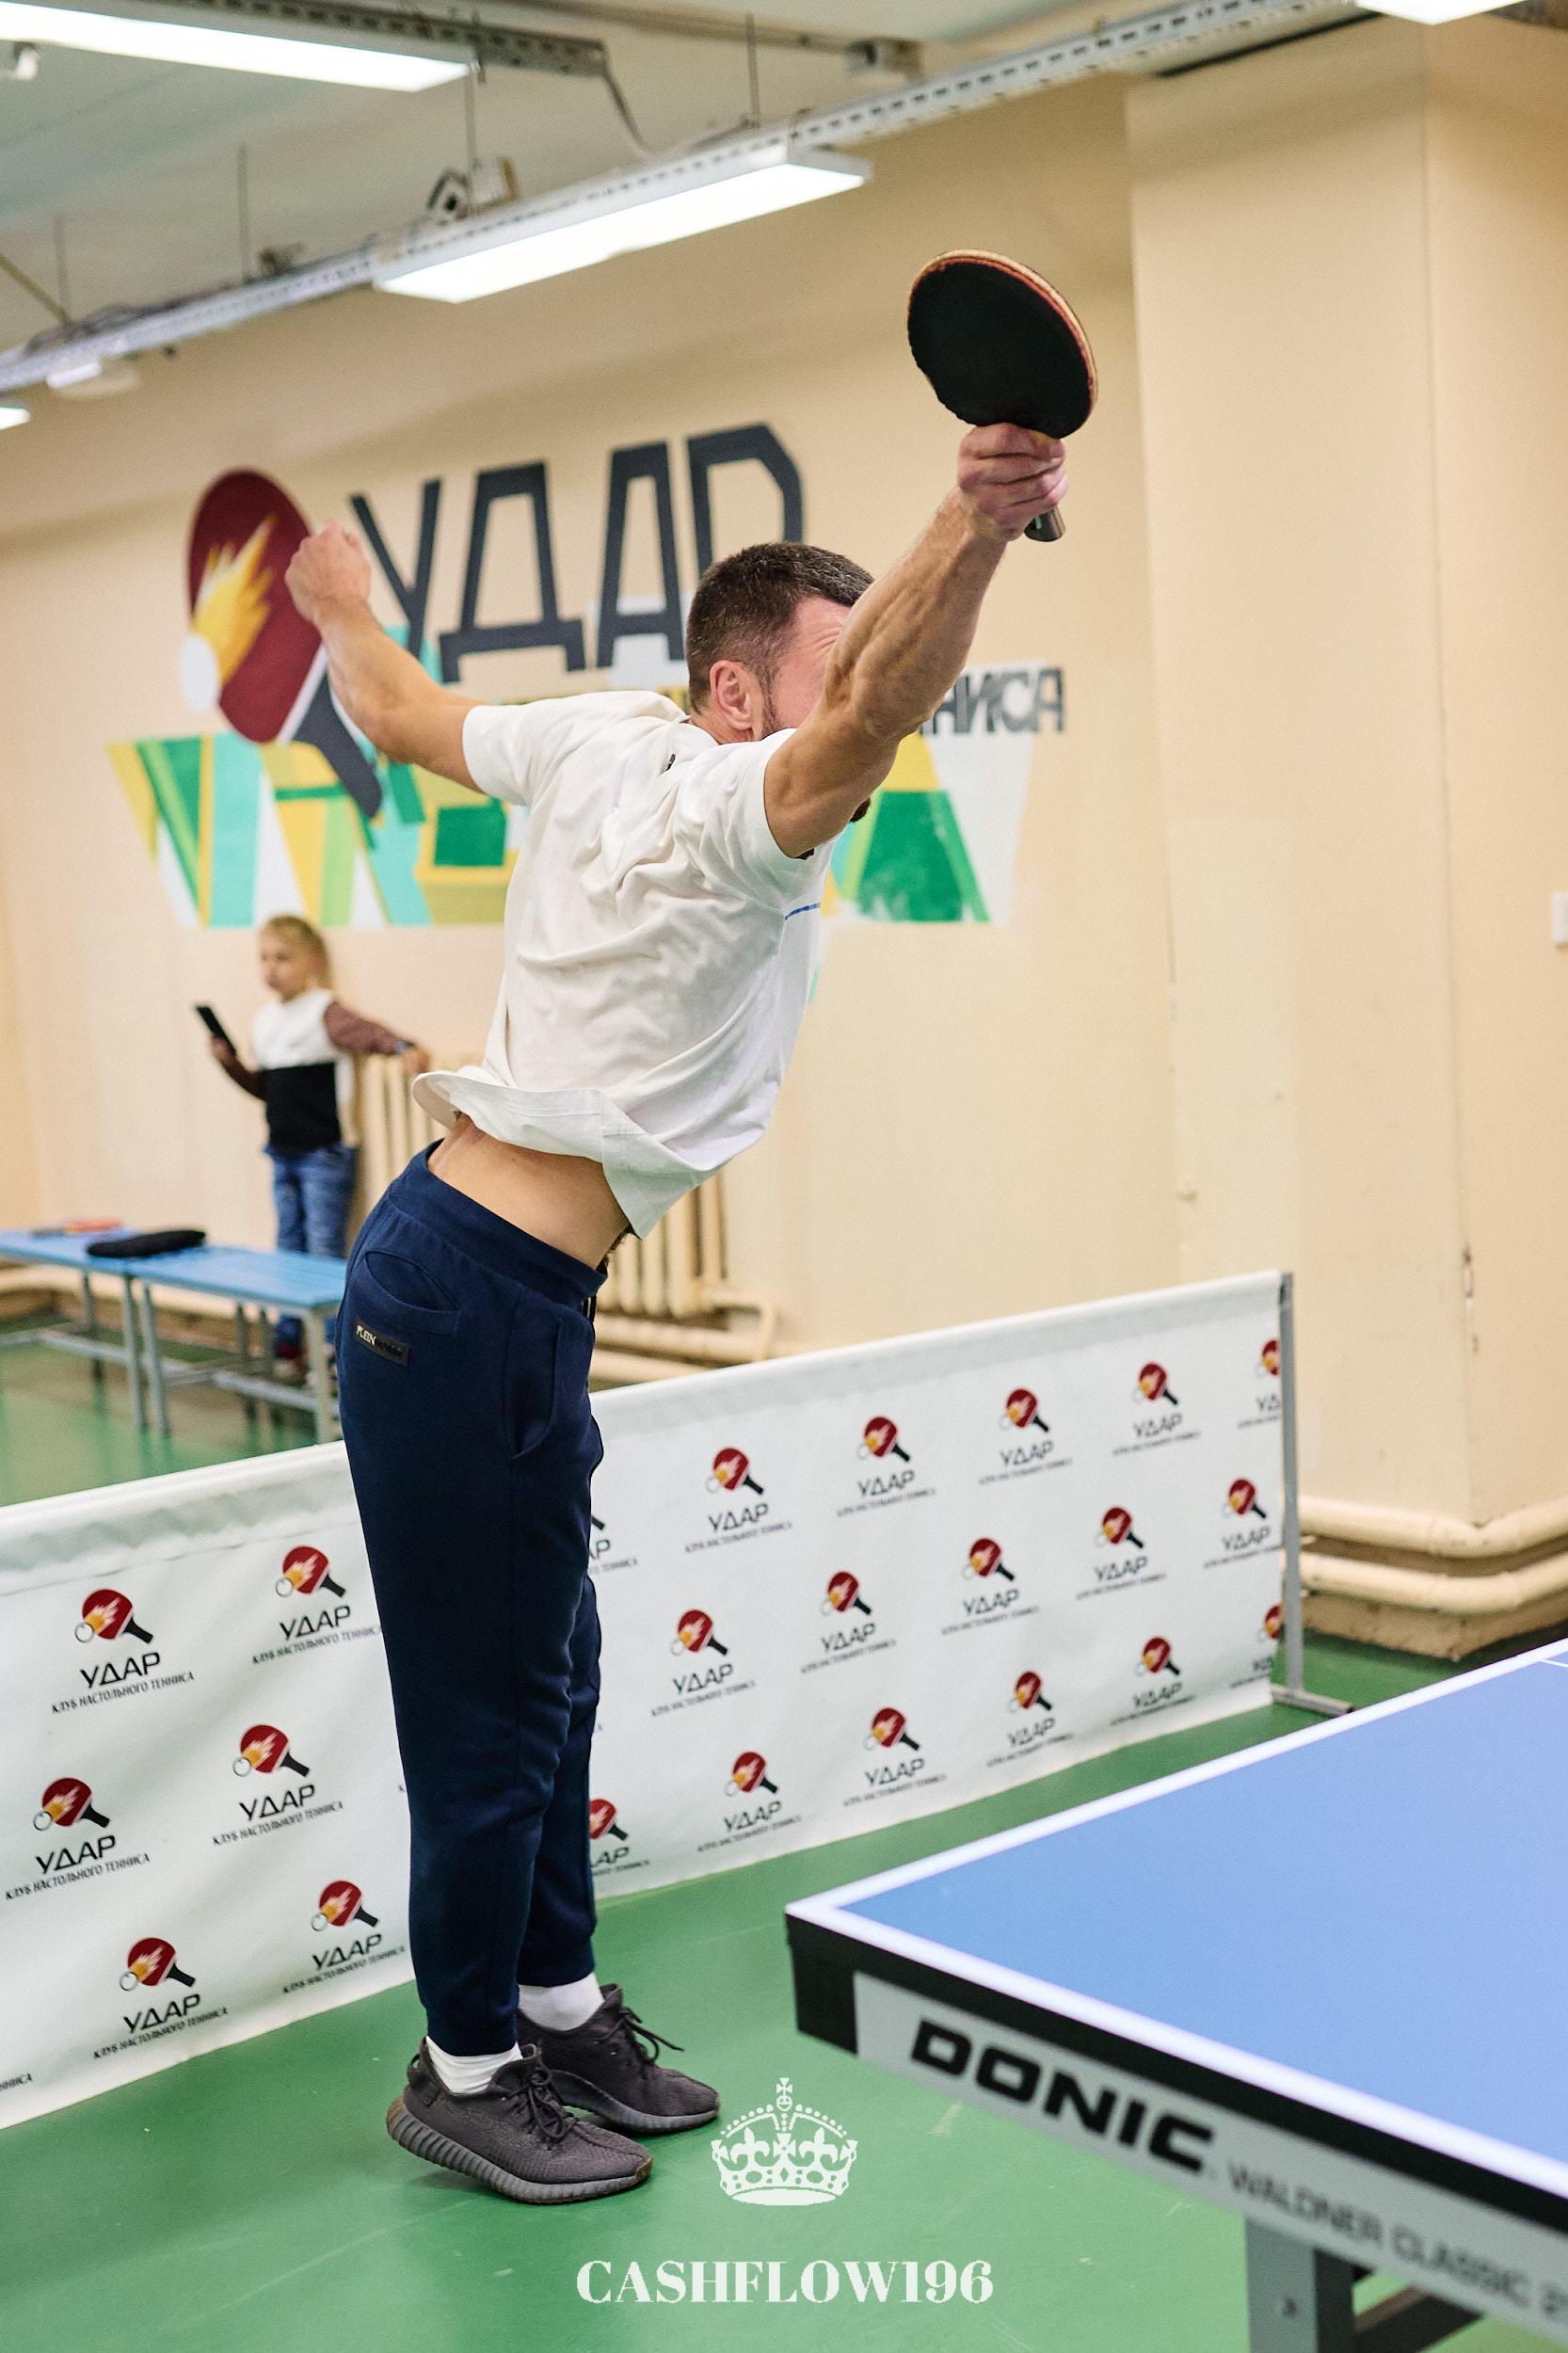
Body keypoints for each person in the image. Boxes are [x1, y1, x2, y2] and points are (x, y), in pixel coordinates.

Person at [283, 420, 1068, 2206]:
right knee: (488, 1716)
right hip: (465, 1305)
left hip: (489, 1289)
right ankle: (462, 2069)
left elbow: (397, 709)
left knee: (555, 1673)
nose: (852, 706)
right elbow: (868, 716)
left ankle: (556, 2008)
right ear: (733, 692)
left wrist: (337, 606)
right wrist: (976, 516)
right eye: (819, 671)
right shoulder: (733, 809)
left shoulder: (591, 737)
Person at [208, 913, 430, 1363]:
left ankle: (332, 1345)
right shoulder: (265, 1021)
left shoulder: (324, 1011)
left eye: (284, 958)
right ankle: (291, 1337)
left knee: (323, 1246)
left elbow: (368, 1033)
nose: (271, 968)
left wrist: (403, 1047)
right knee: (288, 1245)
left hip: (323, 1153)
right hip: (282, 1149)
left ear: (312, 962)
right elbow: (265, 1089)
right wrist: (230, 1065)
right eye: (265, 958)